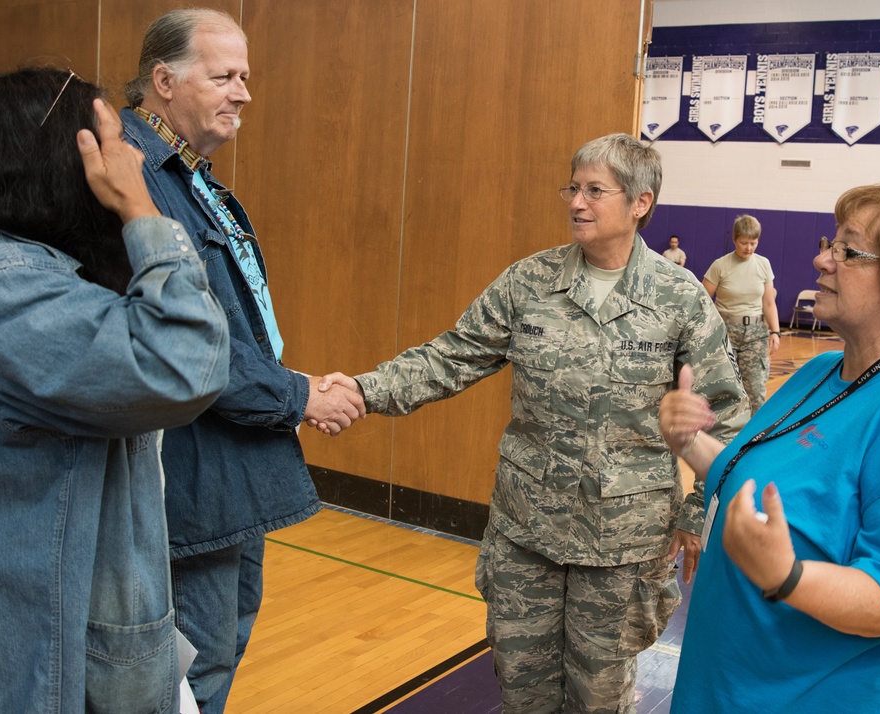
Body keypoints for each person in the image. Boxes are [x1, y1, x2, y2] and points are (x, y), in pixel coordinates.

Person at [319, 133, 748, 712]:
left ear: (640, 203)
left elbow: (727, 412)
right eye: (574, 187)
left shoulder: (679, 299)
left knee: (598, 700)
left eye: (596, 191)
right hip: (528, 535)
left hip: (623, 546)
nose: (577, 202)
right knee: (523, 694)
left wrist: (698, 514)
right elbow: (453, 355)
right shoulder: (530, 282)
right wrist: (364, 390)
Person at [122, 9, 365, 711]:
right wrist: (298, 397)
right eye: (225, 76)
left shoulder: (188, 174)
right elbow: (186, 342)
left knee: (219, 646)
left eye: (246, 77)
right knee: (191, 666)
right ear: (164, 81)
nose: (244, 93)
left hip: (232, 464)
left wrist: (291, 386)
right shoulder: (140, 179)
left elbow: (226, 320)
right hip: (189, 470)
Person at [661, 182, 880, 712]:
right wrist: (690, 441)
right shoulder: (821, 371)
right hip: (738, 685)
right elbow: (753, 485)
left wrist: (788, 576)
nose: (821, 259)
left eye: (846, 250)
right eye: (830, 243)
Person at [0, 68, 230, 713]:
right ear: (69, 164)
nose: (132, 164)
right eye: (114, 147)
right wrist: (140, 213)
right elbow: (185, 364)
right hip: (50, 660)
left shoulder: (37, 271)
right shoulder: (6, 289)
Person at [703, 214, 781, 413]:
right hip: (725, 331)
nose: (748, 248)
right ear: (734, 240)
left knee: (755, 389)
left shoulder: (763, 264)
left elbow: (769, 302)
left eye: (753, 243)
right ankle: (722, 435)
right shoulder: (720, 265)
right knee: (724, 388)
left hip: (755, 333)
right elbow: (703, 302)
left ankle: (753, 437)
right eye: (744, 242)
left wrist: (775, 332)